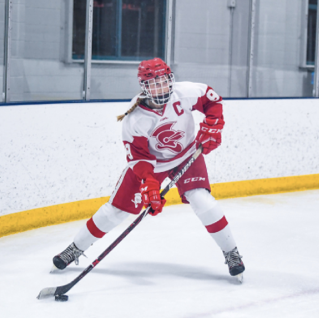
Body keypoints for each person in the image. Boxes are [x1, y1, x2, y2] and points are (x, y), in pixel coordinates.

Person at [52, 58, 245, 281]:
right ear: (144, 88)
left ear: (171, 79)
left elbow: (213, 101)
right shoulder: (135, 119)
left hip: (186, 155)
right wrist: (149, 184)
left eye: (164, 82)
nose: (161, 88)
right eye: (154, 84)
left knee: (202, 200)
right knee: (116, 210)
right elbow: (139, 159)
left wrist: (213, 127)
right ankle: (75, 249)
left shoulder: (185, 93)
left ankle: (232, 254)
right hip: (153, 165)